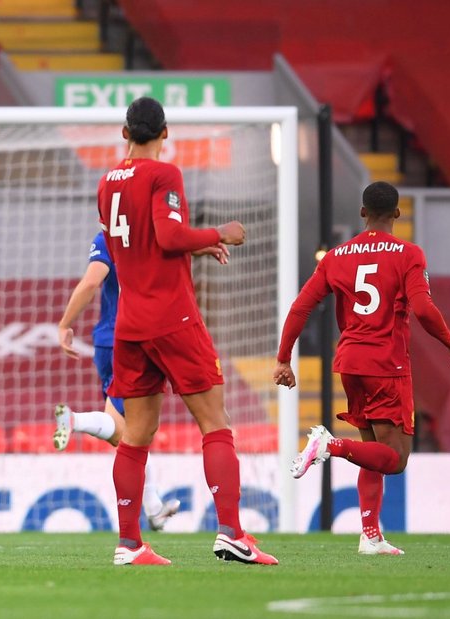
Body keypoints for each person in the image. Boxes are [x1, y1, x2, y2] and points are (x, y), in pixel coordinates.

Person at [98, 97, 276, 566]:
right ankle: (232, 533)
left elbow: (135, 247)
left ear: (124, 133)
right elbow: (170, 237)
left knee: (136, 435)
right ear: (165, 132)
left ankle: (129, 544)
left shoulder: (106, 182)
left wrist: (191, 251)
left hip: (129, 321)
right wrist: (218, 234)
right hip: (171, 316)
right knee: (215, 422)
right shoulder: (164, 175)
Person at [275, 181, 450, 555]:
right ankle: (329, 444)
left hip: (350, 363)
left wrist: (283, 357)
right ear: (397, 213)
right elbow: (424, 309)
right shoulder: (408, 254)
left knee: (374, 451)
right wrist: (449, 341)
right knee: (395, 459)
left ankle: (370, 535)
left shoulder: (336, 256)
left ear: (363, 213)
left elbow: (300, 306)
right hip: (386, 363)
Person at [54, 232, 181, 531]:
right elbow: (91, 281)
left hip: (109, 342)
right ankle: (74, 420)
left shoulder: (108, 237)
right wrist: (64, 323)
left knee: (125, 434)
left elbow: (92, 281)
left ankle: (154, 509)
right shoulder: (137, 237)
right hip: (130, 343)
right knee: (135, 430)